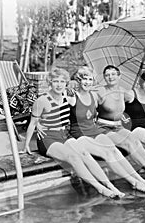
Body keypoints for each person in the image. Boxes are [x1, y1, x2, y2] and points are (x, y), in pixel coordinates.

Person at [24, 66, 124, 198]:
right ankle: (99, 188)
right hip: (48, 139)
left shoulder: (67, 97)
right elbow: (32, 123)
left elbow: (87, 93)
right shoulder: (42, 100)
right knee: (74, 157)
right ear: (50, 83)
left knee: (85, 153)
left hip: (64, 135)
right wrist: (27, 144)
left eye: (62, 82)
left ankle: (110, 186)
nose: (59, 85)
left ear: (66, 83)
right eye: (55, 81)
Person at [68, 66, 145, 193]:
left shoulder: (93, 95)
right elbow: (62, 95)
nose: (87, 82)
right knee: (108, 153)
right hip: (80, 133)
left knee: (115, 151)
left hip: (94, 130)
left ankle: (139, 178)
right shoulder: (73, 96)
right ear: (78, 80)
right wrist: (70, 84)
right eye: (84, 79)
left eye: (90, 79)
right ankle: (133, 182)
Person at [95, 65, 145, 183]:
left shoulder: (124, 92)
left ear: (119, 76)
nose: (110, 77)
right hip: (103, 127)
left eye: (113, 74)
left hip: (118, 126)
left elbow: (136, 104)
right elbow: (89, 102)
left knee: (135, 141)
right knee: (128, 143)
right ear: (104, 77)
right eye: (107, 75)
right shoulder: (100, 91)